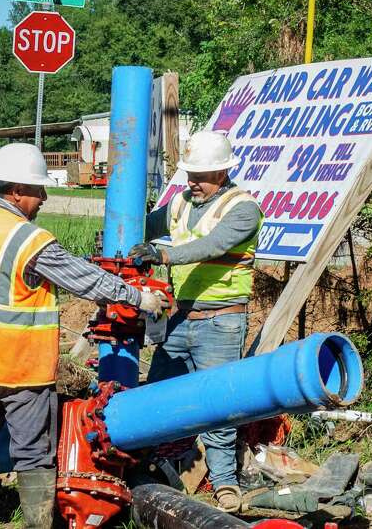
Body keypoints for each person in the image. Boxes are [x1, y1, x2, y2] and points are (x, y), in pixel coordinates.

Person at [0, 143, 167, 529]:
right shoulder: (27, 240)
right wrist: (139, 297)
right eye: (39, 190)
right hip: (19, 366)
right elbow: (85, 280)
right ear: (17, 190)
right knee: (34, 452)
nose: (45, 198)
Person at [128, 131, 262, 513]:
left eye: (201, 175)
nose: (192, 182)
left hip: (221, 322)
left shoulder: (243, 208)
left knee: (218, 404)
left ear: (223, 171)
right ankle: (142, 468)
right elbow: (146, 226)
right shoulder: (181, 203)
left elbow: (212, 246)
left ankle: (224, 484)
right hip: (181, 318)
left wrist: (163, 255)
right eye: (189, 173)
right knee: (155, 395)